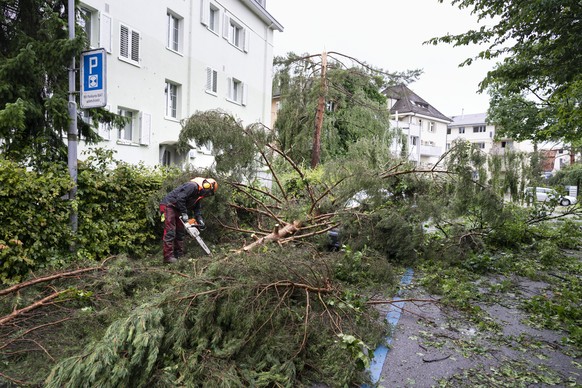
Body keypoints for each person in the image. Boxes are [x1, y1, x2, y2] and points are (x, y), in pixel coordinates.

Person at [159, 177, 218, 263]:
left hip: (177, 208)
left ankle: (178, 255)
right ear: (207, 186)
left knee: (180, 231)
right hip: (169, 205)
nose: (207, 195)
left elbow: (197, 210)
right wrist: (184, 213)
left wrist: (200, 220)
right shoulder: (192, 186)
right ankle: (168, 257)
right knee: (170, 231)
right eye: (209, 192)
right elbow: (180, 198)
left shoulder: (198, 195)